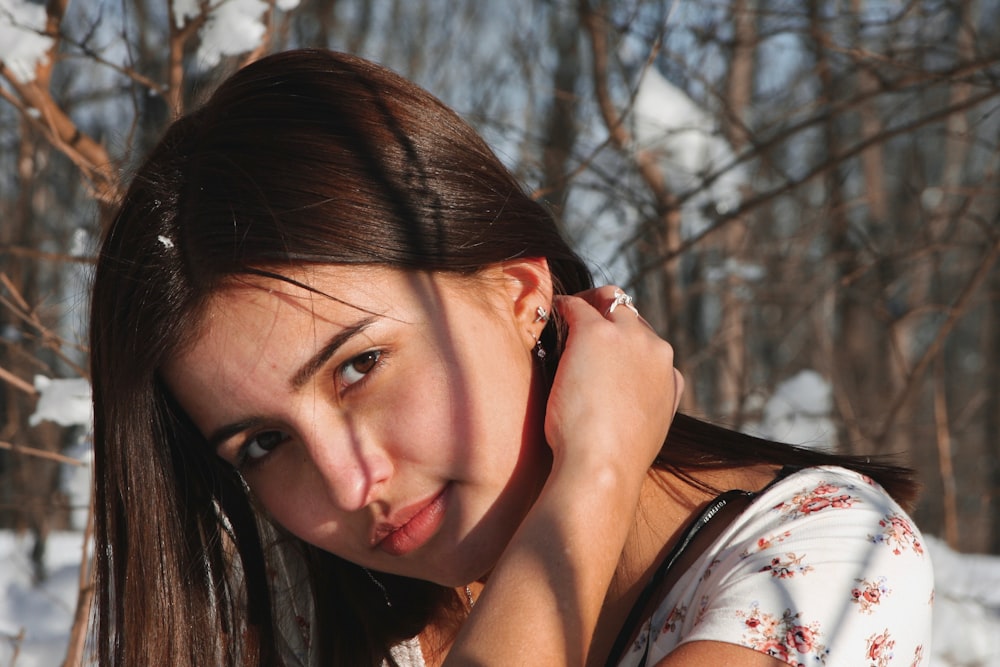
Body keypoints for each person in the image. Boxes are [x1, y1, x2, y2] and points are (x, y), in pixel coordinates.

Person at [89, 49, 933, 667]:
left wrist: (595, 471)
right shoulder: (310, 611)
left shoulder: (817, 559)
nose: (349, 485)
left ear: (520, 295)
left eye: (359, 365)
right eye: (264, 444)